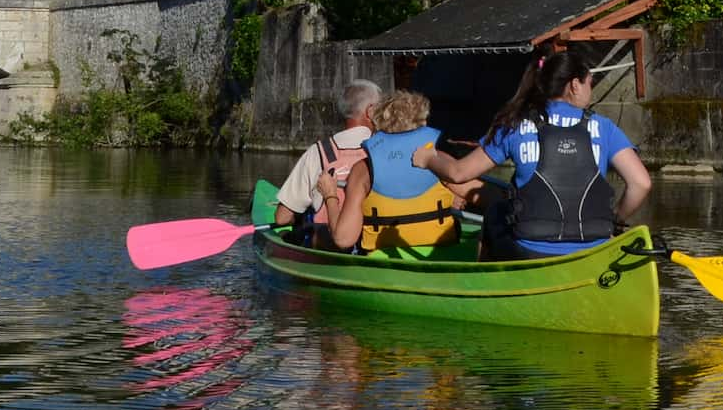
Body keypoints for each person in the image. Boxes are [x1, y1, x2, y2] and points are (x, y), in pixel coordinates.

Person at [426, 48, 651, 259]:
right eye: (589, 84)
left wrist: (428, 159)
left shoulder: (514, 126)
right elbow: (641, 184)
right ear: (575, 85)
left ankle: (489, 282)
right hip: (593, 246)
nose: (589, 92)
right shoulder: (604, 127)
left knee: (496, 211)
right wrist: (615, 221)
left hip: (531, 248)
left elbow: (458, 173)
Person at [325, 89, 483, 253]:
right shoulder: (439, 161)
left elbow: (344, 239)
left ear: (378, 123)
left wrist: (330, 195)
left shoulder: (363, 170)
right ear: (421, 123)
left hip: (383, 265)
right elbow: (484, 196)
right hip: (441, 261)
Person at [273, 80, 380, 243]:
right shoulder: (385, 152)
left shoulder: (318, 152)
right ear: (371, 111)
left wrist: (299, 220)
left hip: (330, 245)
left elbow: (282, 218)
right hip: (376, 242)